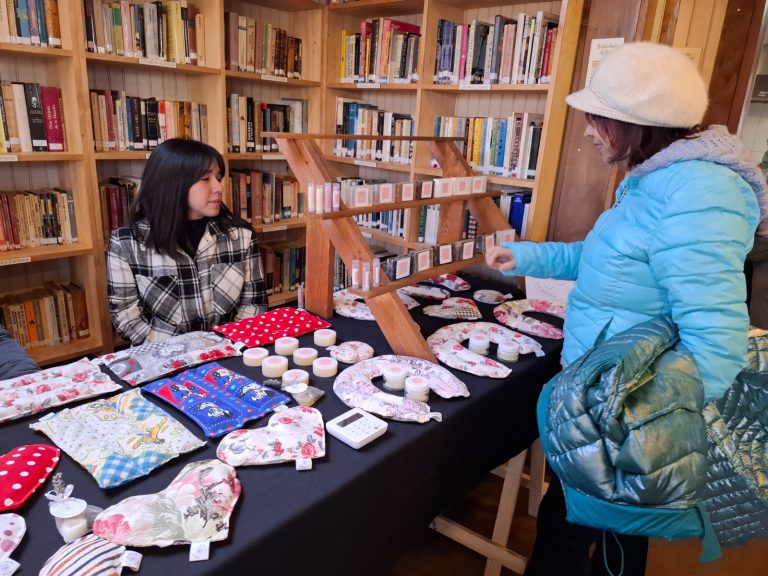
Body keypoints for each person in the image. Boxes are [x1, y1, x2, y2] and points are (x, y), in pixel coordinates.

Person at [485, 42, 766, 575]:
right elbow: (605, 259)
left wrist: (641, 420)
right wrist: (521, 255)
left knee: (573, 535)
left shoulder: (697, 191)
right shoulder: (658, 182)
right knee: (603, 532)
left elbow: (718, 339)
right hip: (605, 399)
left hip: (620, 411)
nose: (590, 132)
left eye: (599, 118)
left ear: (639, 122)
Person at [107, 138, 268, 345]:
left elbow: (254, 304)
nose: (219, 187)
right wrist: (184, 352)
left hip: (231, 353)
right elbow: (126, 319)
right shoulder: (126, 243)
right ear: (172, 183)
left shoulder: (241, 236)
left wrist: (224, 346)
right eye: (205, 178)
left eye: (218, 177)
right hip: (162, 360)